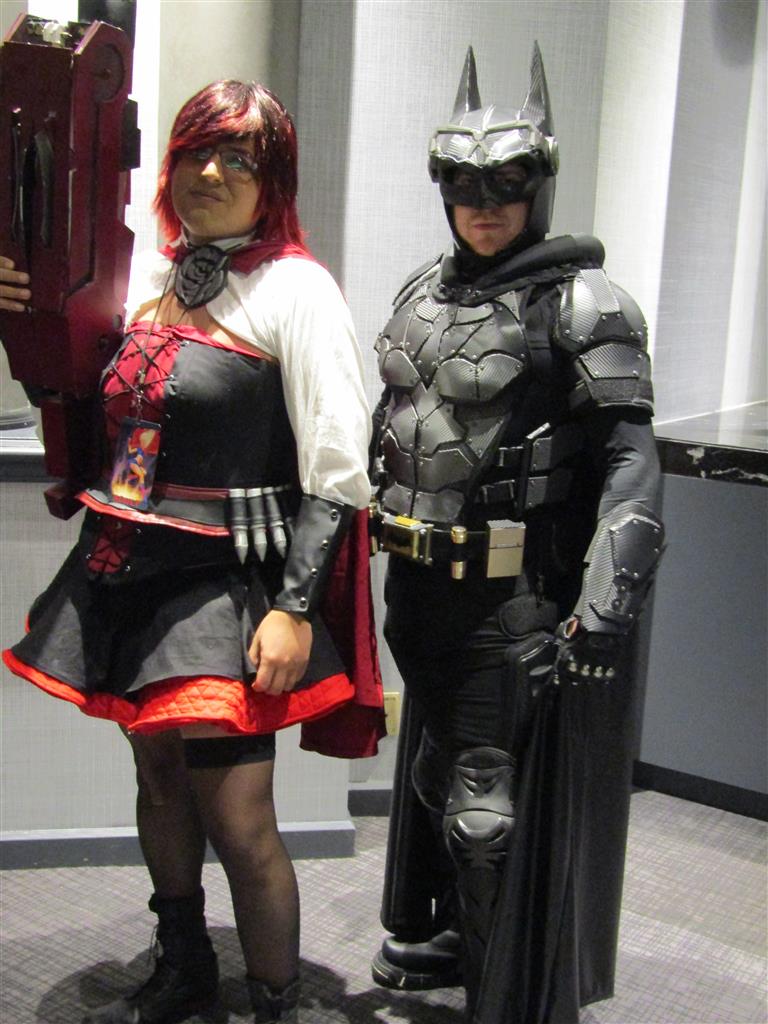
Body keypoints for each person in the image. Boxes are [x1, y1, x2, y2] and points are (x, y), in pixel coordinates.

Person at [1, 80, 383, 1024]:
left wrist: (295, 607)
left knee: (238, 816)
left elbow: (338, 464)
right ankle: (184, 967)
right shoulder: (146, 278)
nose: (210, 173)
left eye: (237, 158)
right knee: (159, 779)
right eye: (194, 153)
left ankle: (275, 1003)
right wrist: (28, 315)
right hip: (128, 568)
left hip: (230, 586)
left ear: (272, 179)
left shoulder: (297, 289)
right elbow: (83, 400)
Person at [368, 45, 665, 1024]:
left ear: (540, 185)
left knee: (483, 810)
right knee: (434, 773)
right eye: (463, 184)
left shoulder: (583, 305)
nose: (483, 204)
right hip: (417, 593)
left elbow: (630, 462)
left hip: (510, 600)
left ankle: (505, 1001)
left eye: (506, 183)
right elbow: (395, 428)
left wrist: (605, 601)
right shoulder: (423, 292)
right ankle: (459, 940)